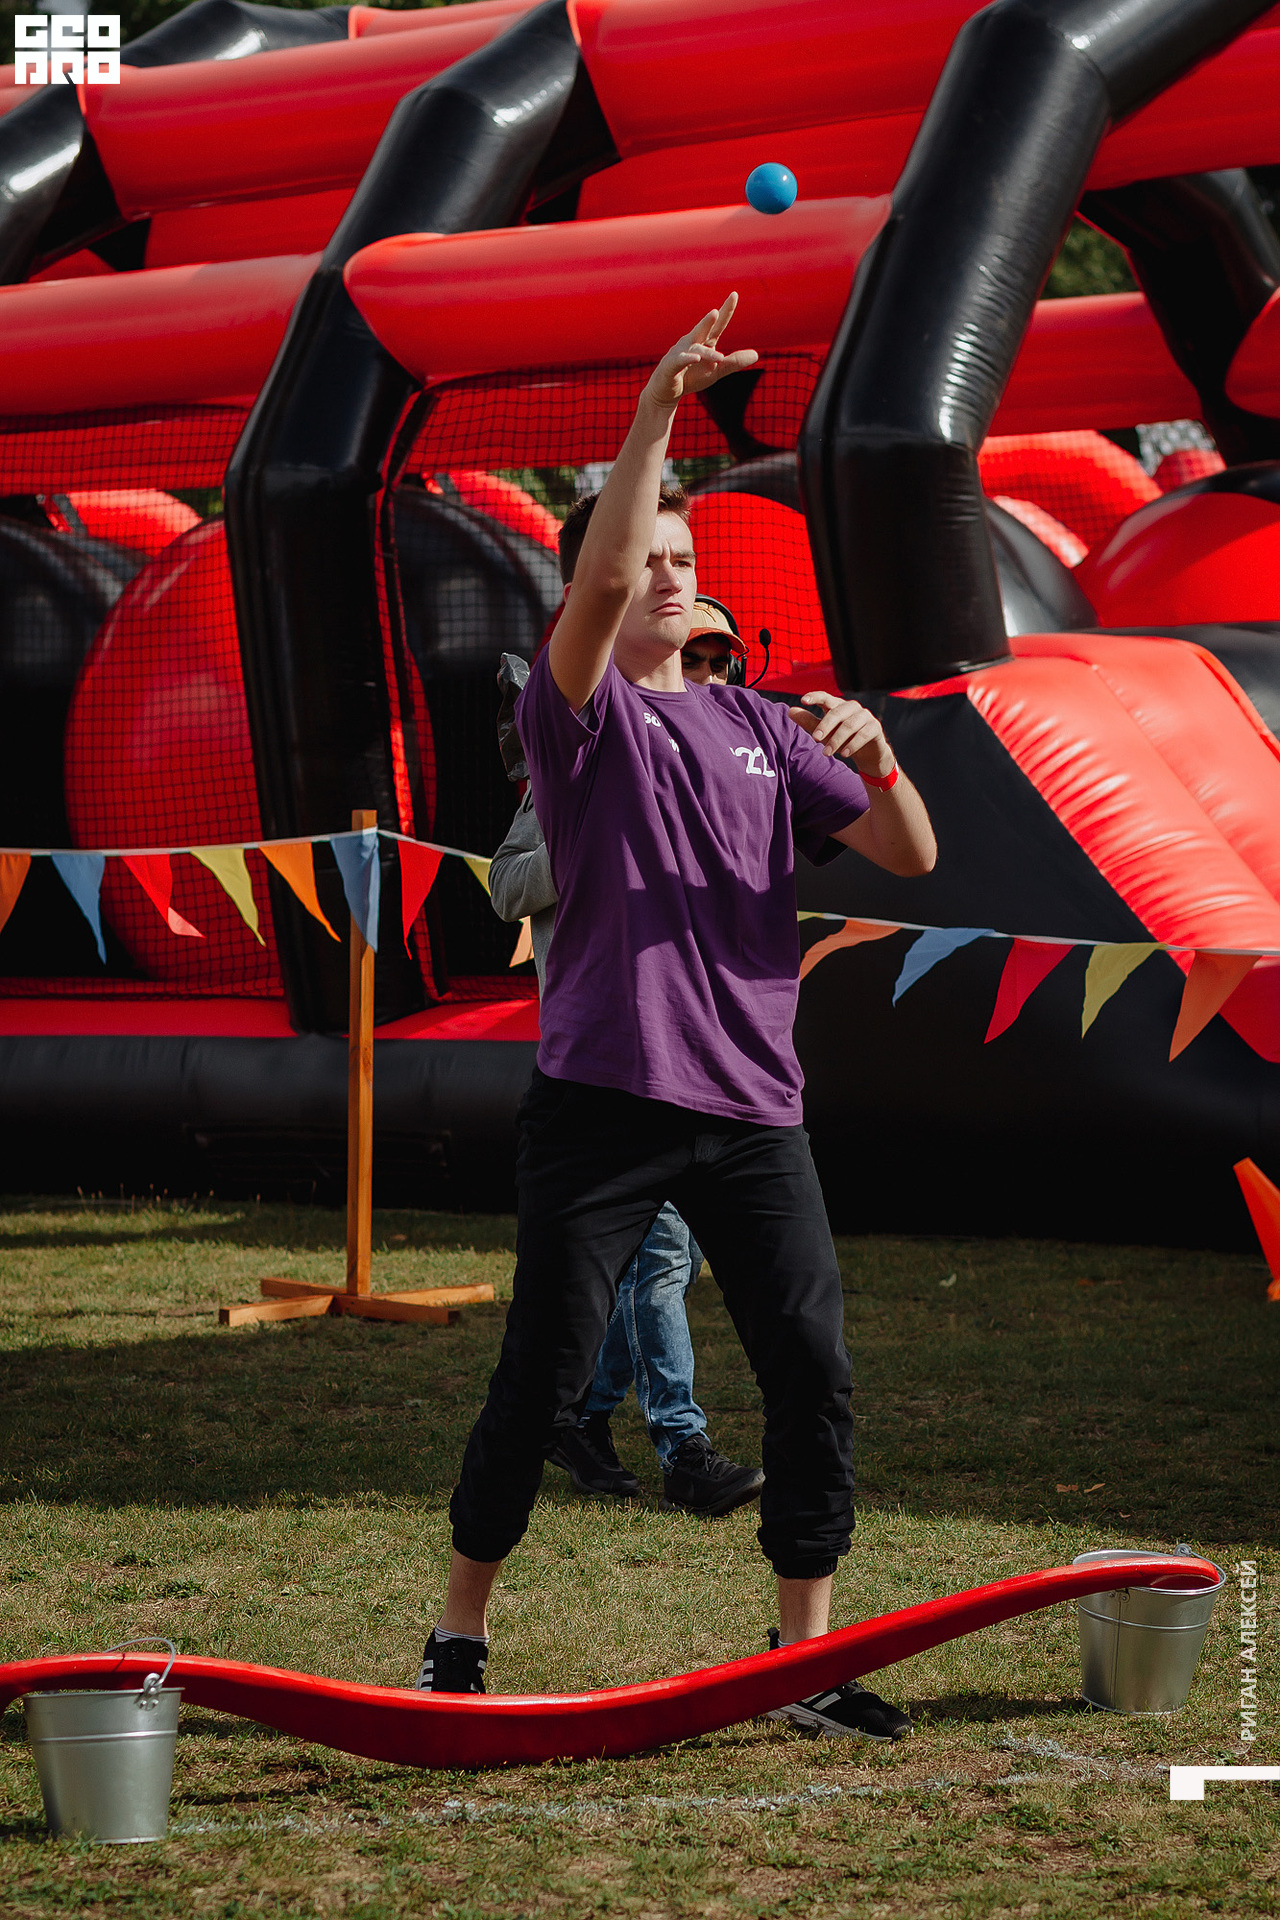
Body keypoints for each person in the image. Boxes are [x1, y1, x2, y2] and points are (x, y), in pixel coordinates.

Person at [418, 295, 936, 1742]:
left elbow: (909, 855)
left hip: (756, 1110)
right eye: (643, 557)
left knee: (813, 1374)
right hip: (605, 1101)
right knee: (540, 1377)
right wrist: (655, 407)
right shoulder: (580, 721)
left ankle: (801, 1664)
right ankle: (457, 1635)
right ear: (596, 577)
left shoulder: (760, 724)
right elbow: (594, 591)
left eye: (684, 559)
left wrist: (880, 757)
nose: (666, 575)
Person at [490, 598, 764, 1517]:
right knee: (660, 1262)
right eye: (696, 657)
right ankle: (683, 1448)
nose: (708, 676)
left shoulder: (733, 771)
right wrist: (584, 847)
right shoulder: (584, 770)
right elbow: (505, 884)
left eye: (720, 662)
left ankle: (579, 1415)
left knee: (662, 1264)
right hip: (611, 1069)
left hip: (712, 1066)